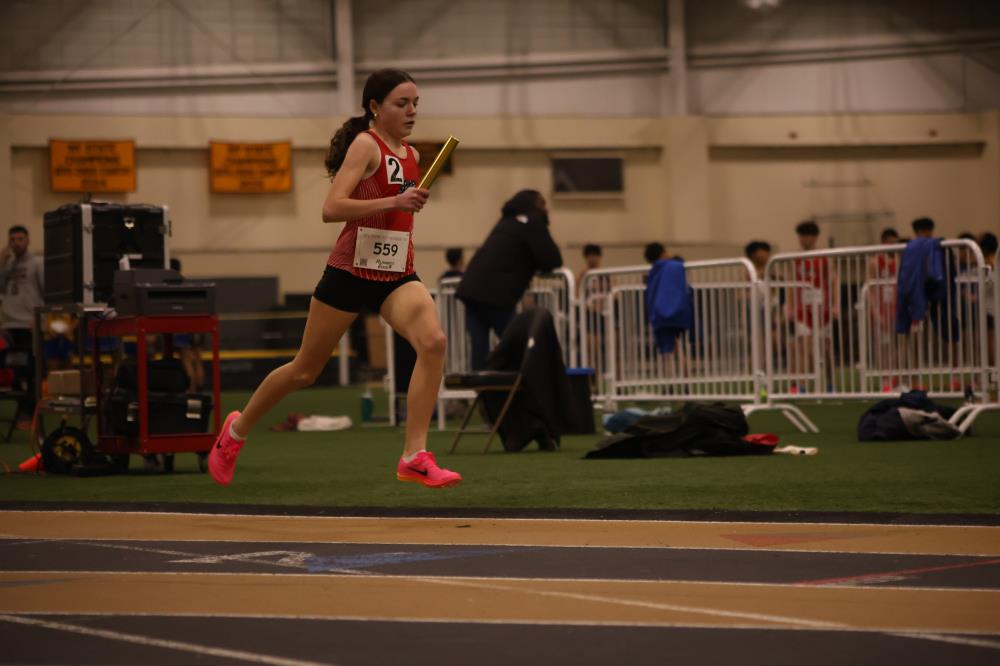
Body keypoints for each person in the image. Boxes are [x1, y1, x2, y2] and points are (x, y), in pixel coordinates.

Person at [208, 68, 461, 489]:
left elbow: (399, 209)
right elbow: (332, 208)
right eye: (402, 103)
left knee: (433, 342)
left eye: (416, 103)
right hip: (349, 272)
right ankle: (235, 431)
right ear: (375, 107)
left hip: (396, 272)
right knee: (304, 371)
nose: (412, 111)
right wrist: (394, 200)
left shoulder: (413, 156)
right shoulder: (366, 145)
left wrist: (404, 203)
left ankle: (414, 456)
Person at [456, 189, 562, 370]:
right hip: (497, 293)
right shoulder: (532, 222)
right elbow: (552, 259)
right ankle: (521, 381)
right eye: (543, 204)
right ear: (534, 205)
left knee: (480, 348)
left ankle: (482, 384)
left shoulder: (506, 221)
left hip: (472, 290)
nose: (546, 209)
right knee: (518, 344)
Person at [786, 220, 838, 392]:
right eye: (800, 236)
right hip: (802, 310)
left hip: (823, 308)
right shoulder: (795, 259)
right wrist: (790, 307)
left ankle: (830, 383)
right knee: (803, 346)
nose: (802, 239)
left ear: (814, 237)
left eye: (805, 236)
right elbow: (790, 283)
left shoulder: (824, 258)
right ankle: (801, 385)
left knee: (826, 348)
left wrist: (835, 305)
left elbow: (834, 281)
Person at [0, 225, 44, 425]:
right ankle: (23, 411)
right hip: (9, 324)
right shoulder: (7, 265)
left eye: (20, 239)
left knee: (31, 370)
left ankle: (33, 411)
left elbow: (47, 292)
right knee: (13, 371)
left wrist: (39, 318)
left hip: (28, 324)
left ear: (27, 240)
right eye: (12, 240)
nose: (16, 243)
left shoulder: (37, 263)